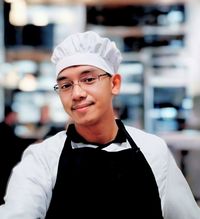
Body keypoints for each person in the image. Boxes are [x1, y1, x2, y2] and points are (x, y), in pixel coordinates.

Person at [0, 31, 199, 219]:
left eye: (88, 79)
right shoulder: (41, 159)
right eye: (65, 85)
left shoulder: (153, 151)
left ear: (115, 84)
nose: (77, 93)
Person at [0, 105, 37, 205]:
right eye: (14, 115)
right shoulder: (4, 128)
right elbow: (15, 144)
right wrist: (34, 141)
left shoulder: (7, 127)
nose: (16, 118)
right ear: (10, 115)